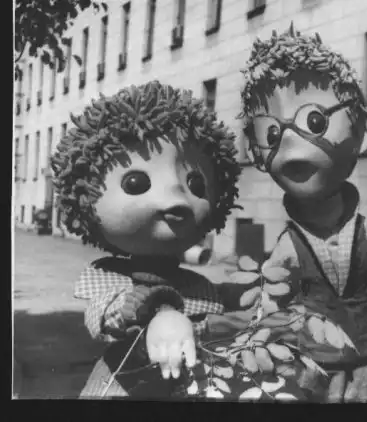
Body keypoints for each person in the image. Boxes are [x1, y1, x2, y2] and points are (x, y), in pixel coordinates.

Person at [226, 24, 367, 402]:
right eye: (271, 134)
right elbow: (272, 300)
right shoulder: (288, 246)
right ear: (256, 152)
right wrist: (259, 333)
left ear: (364, 130)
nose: (290, 142)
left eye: (314, 121)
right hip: (315, 363)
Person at [51, 81, 242, 398]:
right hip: (122, 388)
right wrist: (159, 312)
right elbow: (106, 316)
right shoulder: (110, 279)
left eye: (195, 184)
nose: (177, 196)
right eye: (136, 182)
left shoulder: (198, 287)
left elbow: (218, 313)